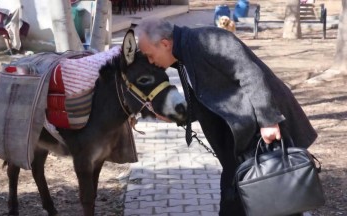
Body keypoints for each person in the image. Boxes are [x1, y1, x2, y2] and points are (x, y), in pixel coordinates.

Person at [136, 19, 318, 216]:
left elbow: (250, 75)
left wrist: (268, 121)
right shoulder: (185, 53)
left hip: (260, 132)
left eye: (150, 55)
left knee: (274, 200)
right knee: (252, 202)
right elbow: (209, 97)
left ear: (165, 44)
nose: (151, 61)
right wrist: (180, 117)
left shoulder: (209, 40)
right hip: (240, 138)